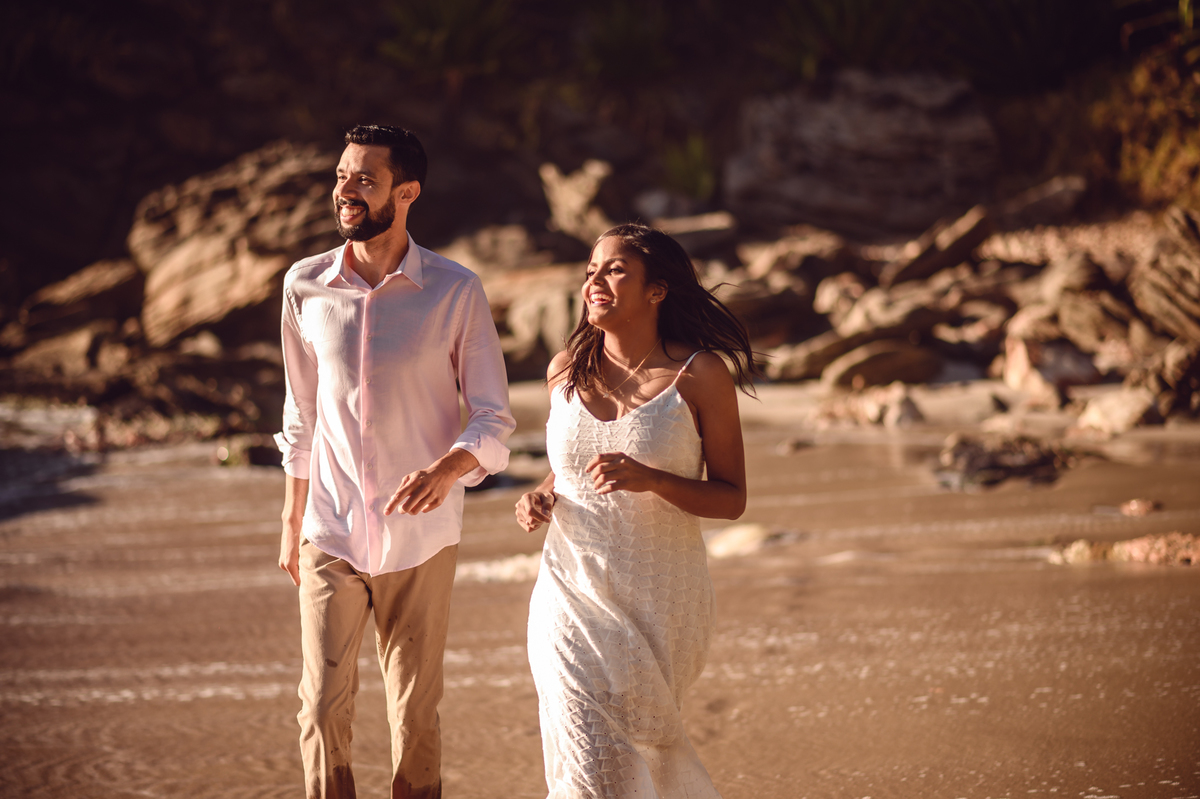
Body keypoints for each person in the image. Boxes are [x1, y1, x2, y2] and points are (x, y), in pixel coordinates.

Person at [275, 124, 515, 799]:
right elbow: (301, 415)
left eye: (364, 179)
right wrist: (292, 517)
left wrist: (446, 471)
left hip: (422, 535)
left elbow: (495, 417)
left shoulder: (455, 290)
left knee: (413, 715)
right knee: (321, 705)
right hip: (329, 526)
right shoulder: (304, 286)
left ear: (405, 192)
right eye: (342, 177)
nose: (345, 191)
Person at [515, 223, 756, 798]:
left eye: (615, 269)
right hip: (568, 595)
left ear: (658, 290)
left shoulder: (699, 374)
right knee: (589, 762)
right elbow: (571, 466)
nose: (595, 279)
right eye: (592, 269)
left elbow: (731, 496)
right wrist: (542, 493)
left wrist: (651, 480)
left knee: (640, 751)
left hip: (660, 598)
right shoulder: (564, 370)